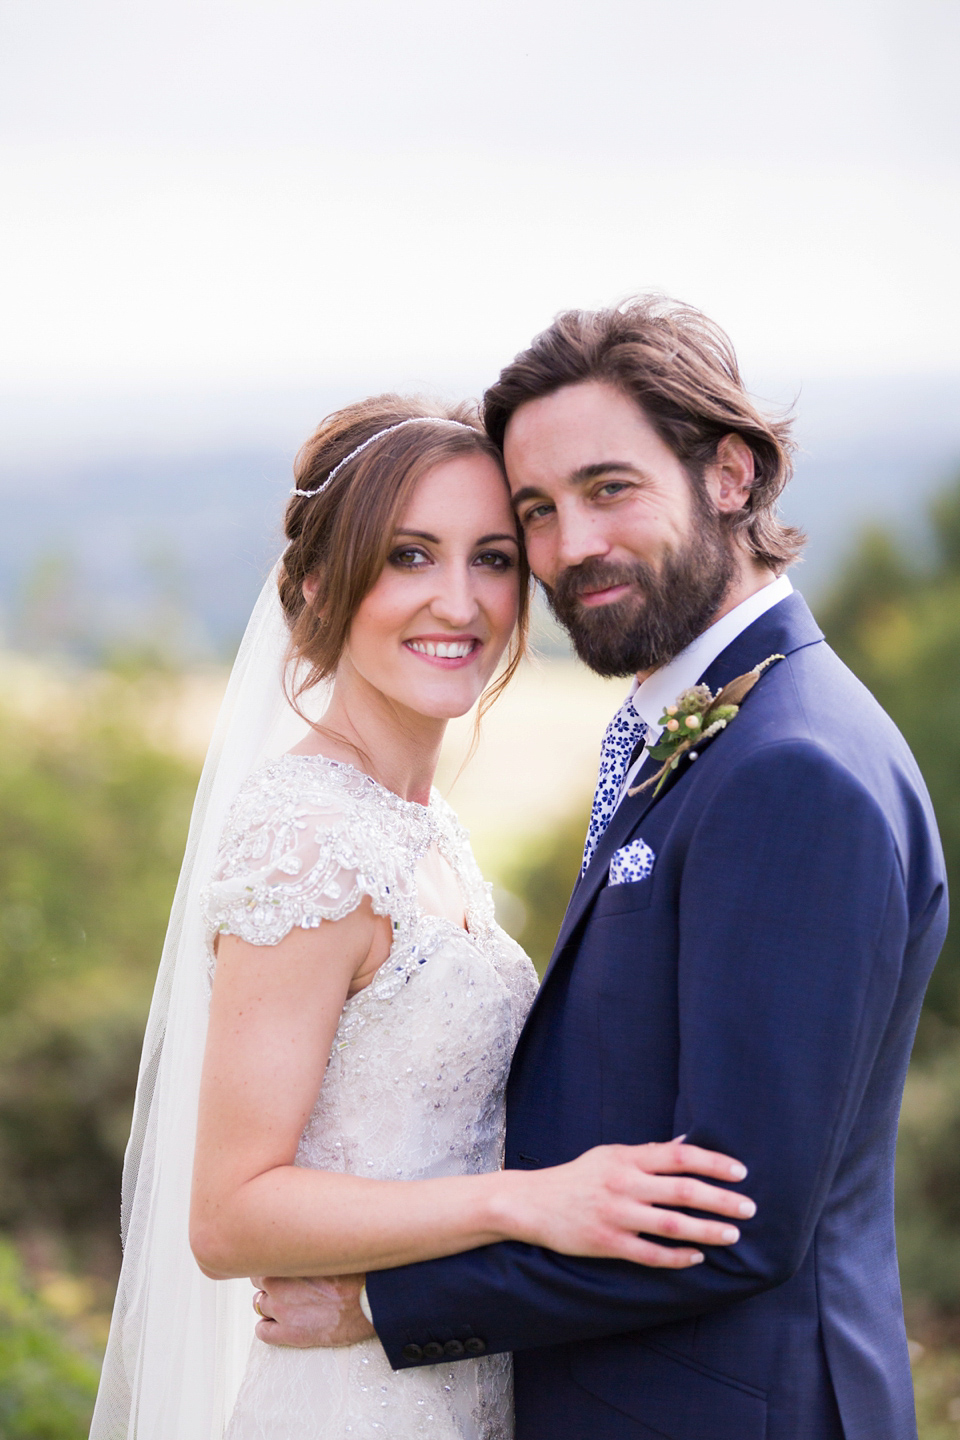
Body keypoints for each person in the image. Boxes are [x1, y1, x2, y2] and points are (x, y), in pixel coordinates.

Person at [256, 301, 948, 1440]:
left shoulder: (794, 768)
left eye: (609, 488)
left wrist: (385, 1304)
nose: (572, 546)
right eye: (538, 511)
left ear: (729, 473)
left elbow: (734, 1219)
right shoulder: (701, 726)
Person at [89, 394, 754, 1440]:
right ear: (316, 586)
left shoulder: (422, 822)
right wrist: (520, 1203)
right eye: (409, 556)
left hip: (453, 1380)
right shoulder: (308, 838)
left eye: (492, 558)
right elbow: (229, 1215)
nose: (459, 602)